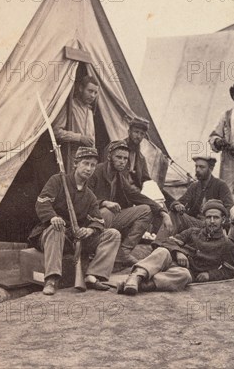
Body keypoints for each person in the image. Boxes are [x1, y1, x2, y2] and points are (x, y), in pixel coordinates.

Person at [28, 147, 121, 295]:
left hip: (74, 239)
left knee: (113, 234)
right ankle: (51, 279)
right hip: (52, 235)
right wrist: (53, 217)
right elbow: (42, 202)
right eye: (85, 163)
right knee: (56, 228)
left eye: (92, 165)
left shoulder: (90, 196)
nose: (89, 168)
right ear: (76, 164)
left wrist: (90, 229)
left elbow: (98, 220)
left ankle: (93, 275)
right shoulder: (58, 180)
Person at [117, 200, 234, 295]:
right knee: (162, 251)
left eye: (216, 218)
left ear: (223, 220)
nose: (212, 221)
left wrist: (209, 274)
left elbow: (230, 271)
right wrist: (178, 252)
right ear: (204, 219)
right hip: (171, 262)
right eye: (208, 217)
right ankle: (136, 276)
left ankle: (142, 285)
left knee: (183, 276)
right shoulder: (193, 232)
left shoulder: (227, 244)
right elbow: (168, 242)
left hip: (188, 271)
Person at [88, 141, 173, 269]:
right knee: (106, 211)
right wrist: (103, 202)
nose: (122, 161)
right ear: (109, 156)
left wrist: (163, 212)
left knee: (146, 210)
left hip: (108, 220)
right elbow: (83, 198)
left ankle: (123, 252)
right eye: (119, 157)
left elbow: (136, 196)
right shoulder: (95, 171)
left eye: (125, 158)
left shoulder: (119, 177)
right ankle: (96, 250)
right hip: (92, 221)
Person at [155, 155, 234, 240]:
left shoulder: (220, 185)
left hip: (211, 223)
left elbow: (230, 207)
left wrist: (218, 220)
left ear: (210, 169)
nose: (197, 170)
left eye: (202, 167)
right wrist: (177, 205)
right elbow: (180, 201)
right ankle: (159, 243)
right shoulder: (195, 186)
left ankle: (160, 243)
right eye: (196, 166)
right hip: (195, 222)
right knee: (173, 213)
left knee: (175, 216)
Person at [53, 75, 99, 167]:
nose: (92, 95)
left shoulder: (90, 111)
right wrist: (79, 137)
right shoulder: (70, 106)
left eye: (95, 92)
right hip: (72, 158)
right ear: (81, 88)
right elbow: (56, 132)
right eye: (90, 91)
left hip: (88, 160)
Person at [102, 116, 151, 192]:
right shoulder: (114, 148)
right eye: (136, 132)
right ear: (129, 132)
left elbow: (146, 180)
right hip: (116, 191)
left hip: (135, 193)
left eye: (142, 134)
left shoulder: (141, 158)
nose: (138, 136)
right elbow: (106, 173)